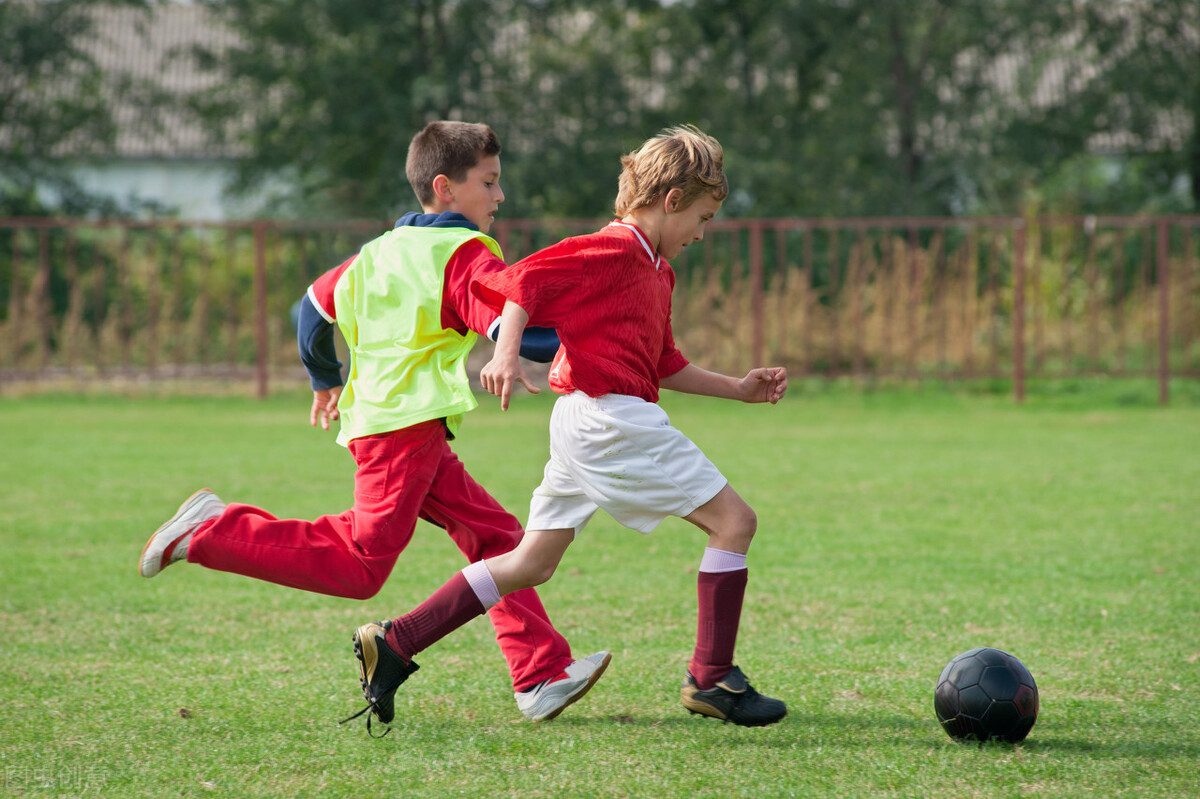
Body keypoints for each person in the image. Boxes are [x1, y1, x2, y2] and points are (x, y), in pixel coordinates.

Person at [138, 121, 610, 732]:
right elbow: (505, 323)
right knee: (362, 564)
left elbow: (306, 308)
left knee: (498, 539)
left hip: (397, 426)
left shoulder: (379, 250)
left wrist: (322, 376)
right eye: (489, 183)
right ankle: (210, 531)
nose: (500, 197)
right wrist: (588, 337)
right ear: (445, 187)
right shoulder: (463, 252)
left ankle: (541, 674)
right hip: (401, 431)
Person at [353, 124, 788, 727]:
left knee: (531, 561)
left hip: (585, 419)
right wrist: (505, 352)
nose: (701, 233)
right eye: (704, 219)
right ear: (671, 201)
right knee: (734, 523)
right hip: (611, 420)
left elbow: (662, 363)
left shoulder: (656, 269)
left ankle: (398, 641)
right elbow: (522, 281)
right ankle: (711, 678)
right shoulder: (612, 250)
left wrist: (737, 389)